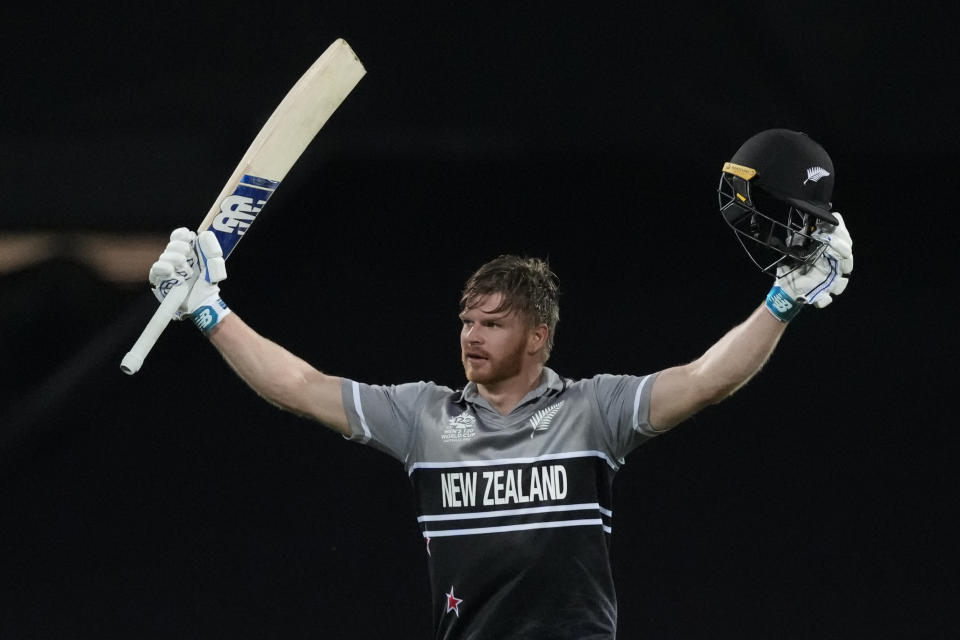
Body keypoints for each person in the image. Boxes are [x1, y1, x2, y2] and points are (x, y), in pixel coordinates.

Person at [147, 128, 853, 639]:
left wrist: (782, 300)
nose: (470, 336)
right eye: (466, 321)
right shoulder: (422, 417)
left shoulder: (594, 411)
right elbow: (299, 385)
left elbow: (705, 380)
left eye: (492, 324)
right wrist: (211, 311)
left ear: (539, 337)